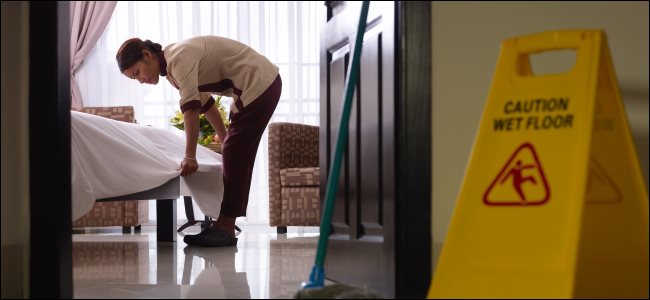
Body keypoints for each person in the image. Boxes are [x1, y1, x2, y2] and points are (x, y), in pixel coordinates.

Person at [116, 36, 281, 247]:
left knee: (237, 154)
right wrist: (224, 139)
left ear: (147, 55)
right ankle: (224, 225)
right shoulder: (173, 69)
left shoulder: (178, 59)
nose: (140, 80)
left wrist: (190, 156)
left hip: (259, 83)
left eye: (137, 72)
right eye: (133, 78)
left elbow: (191, 110)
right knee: (234, 151)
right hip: (258, 85)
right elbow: (206, 104)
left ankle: (225, 227)